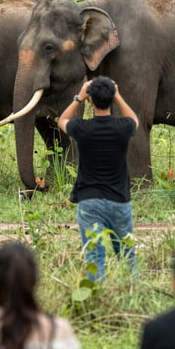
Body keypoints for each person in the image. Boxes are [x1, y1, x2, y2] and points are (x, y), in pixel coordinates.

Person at [57, 76, 139, 281]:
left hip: (89, 201)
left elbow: (62, 121)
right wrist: (118, 95)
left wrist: (78, 97)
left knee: (94, 259)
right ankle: (133, 293)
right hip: (120, 201)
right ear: (112, 98)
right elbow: (135, 120)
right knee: (128, 257)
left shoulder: (82, 128)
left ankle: (96, 299)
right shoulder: (123, 128)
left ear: (90, 100)